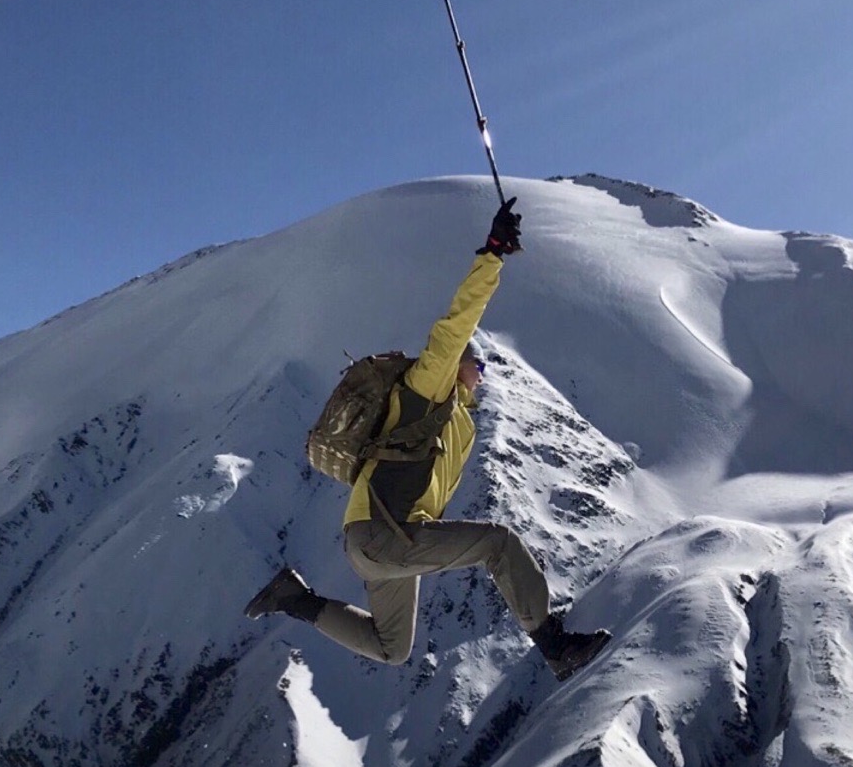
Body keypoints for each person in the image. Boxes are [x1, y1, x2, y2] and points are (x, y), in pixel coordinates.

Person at [244, 198, 610, 681]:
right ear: (459, 364)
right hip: (383, 534)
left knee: (391, 647)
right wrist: (494, 253)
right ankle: (555, 645)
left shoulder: (456, 420)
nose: (481, 376)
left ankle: (294, 599)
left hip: (375, 541)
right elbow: (458, 323)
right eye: (477, 366)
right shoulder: (426, 387)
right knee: (498, 544)